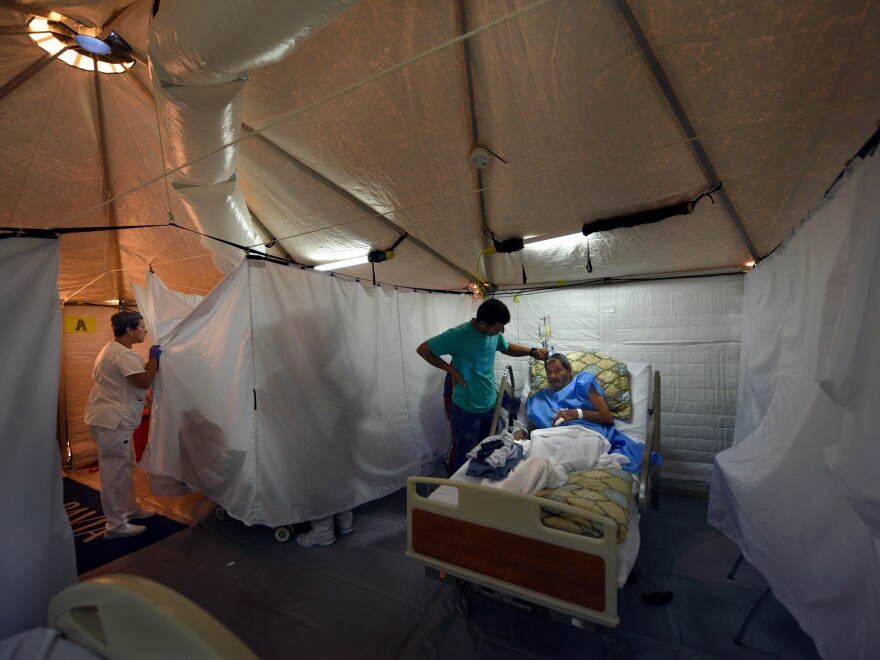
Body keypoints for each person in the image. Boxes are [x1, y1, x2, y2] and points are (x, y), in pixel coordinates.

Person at [417, 299, 548, 472]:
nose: (500, 332)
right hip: (466, 408)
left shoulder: (493, 334)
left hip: (490, 404)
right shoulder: (457, 335)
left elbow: (506, 347)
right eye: (497, 328)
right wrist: (452, 371)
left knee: (486, 451)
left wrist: (531, 351)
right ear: (482, 323)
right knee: (463, 454)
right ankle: (456, 492)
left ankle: (479, 488)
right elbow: (424, 350)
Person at [84, 311, 161, 539]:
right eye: (142, 327)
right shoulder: (122, 354)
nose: (145, 331)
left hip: (108, 418)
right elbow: (143, 381)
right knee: (115, 472)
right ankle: (116, 526)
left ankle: (129, 509)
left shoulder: (111, 349)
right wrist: (154, 358)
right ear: (129, 330)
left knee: (124, 466)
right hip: (113, 421)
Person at [513, 353, 656, 472]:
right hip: (552, 437)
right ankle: (545, 472)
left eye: (558, 370)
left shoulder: (582, 383)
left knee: (578, 449)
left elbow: (607, 418)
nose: (553, 376)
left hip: (585, 433)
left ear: (569, 371)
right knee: (536, 445)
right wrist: (524, 432)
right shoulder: (539, 398)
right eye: (549, 372)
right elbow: (534, 427)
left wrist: (579, 414)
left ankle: (555, 472)